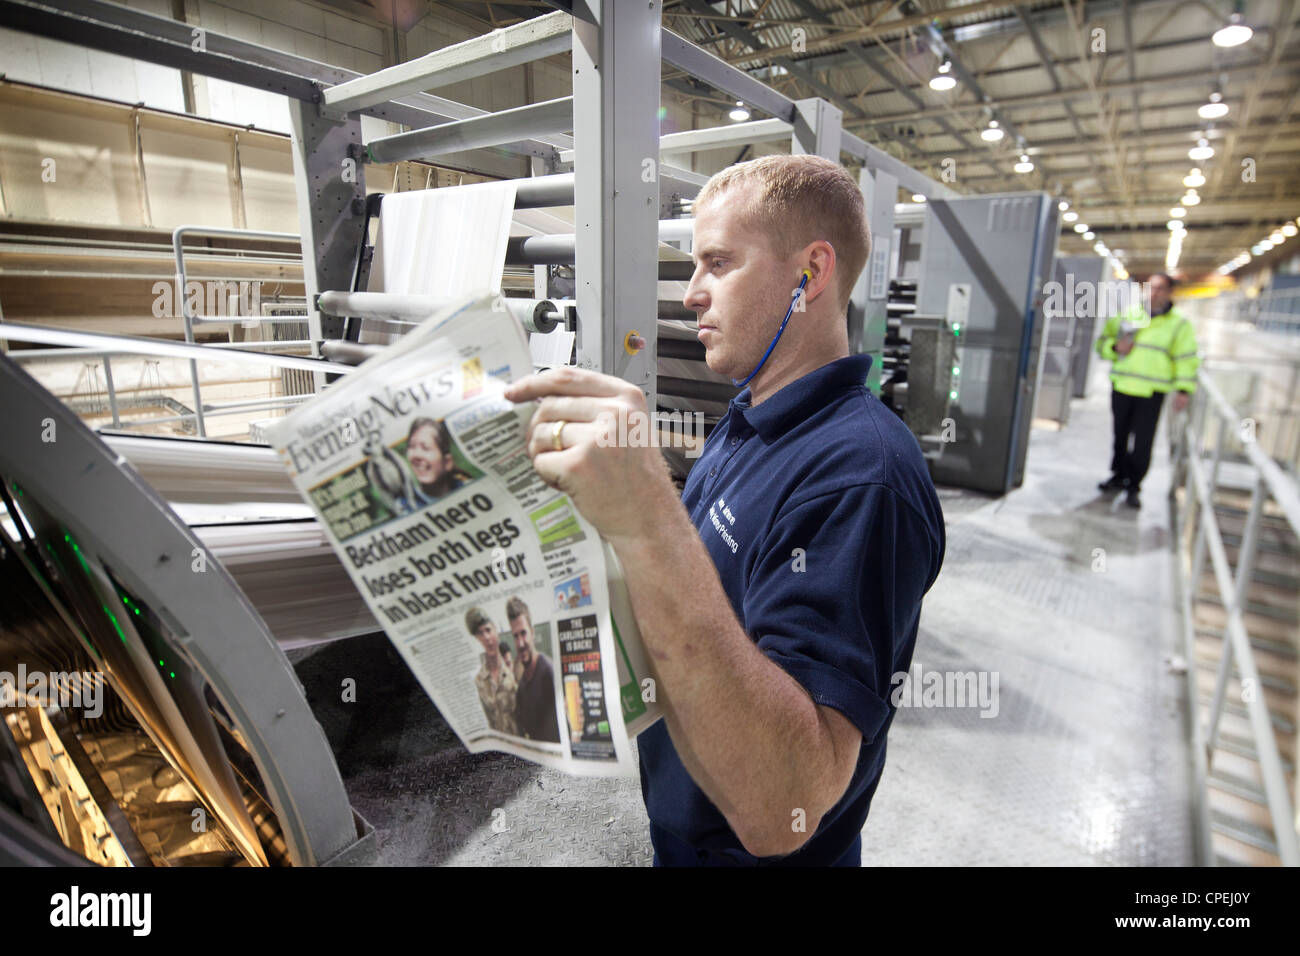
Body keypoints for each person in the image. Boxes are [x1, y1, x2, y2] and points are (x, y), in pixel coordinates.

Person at [504, 154, 945, 866]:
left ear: (811, 273)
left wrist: (649, 520)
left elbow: (785, 807)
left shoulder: (862, 476)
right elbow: (710, 595)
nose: (691, 296)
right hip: (685, 827)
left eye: (717, 263)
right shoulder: (751, 419)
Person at [1094, 272, 1200, 509]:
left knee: (1143, 442)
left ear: (1169, 292)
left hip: (1151, 391)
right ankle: (1118, 476)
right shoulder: (1128, 315)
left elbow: (1185, 358)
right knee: (1119, 437)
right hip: (1122, 386)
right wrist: (1114, 346)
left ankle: (1134, 486)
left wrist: (1183, 389)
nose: (1154, 293)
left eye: (1160, 288)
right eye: (1150, 288)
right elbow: (1102, 343)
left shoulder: (1179, 324)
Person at [507, 596, 561, 743]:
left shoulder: (549, 672)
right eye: (515, 636)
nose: (520, 643)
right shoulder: (522, 688)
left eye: (523, 633)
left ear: (532, 632)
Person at [467, 607, 518, 736]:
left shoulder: (516, 669)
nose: (486, 637)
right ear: (477, 638)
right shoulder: (479, 680)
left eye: (488, 630)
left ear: (496, 631)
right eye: (480, 633)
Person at [402, 417, 472, 508]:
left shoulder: (467, 485)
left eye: (425, 448)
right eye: (411, 446)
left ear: (447, 462)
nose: (416, 455)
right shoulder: (404, 505)